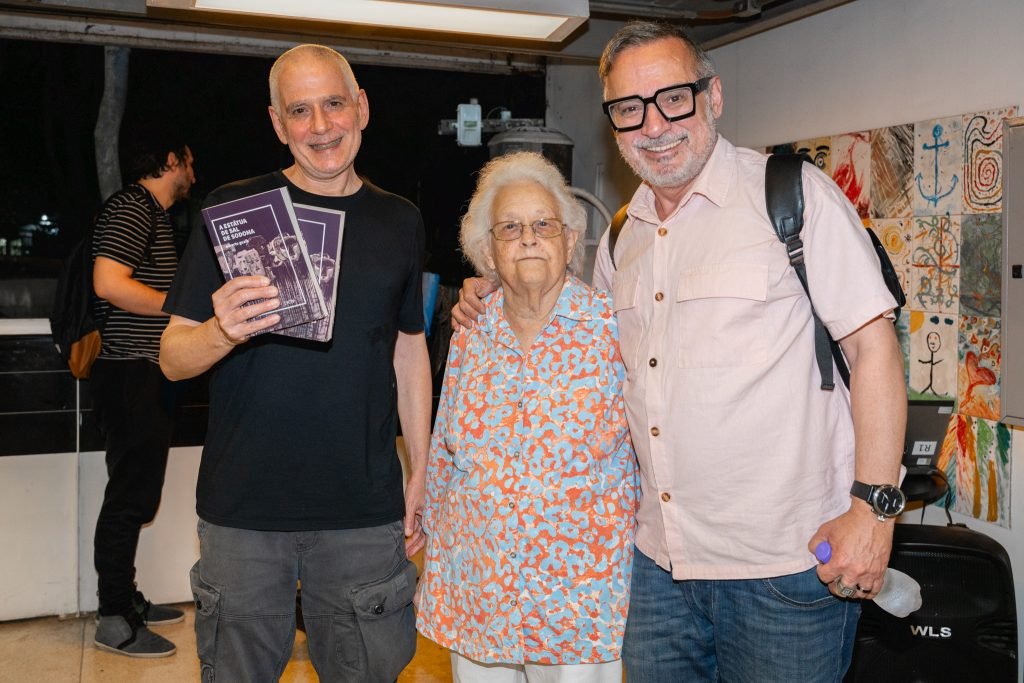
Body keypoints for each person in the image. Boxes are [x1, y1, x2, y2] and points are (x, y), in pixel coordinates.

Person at [454, 21, 907, 682]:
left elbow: (874, 349)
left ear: (712, 97)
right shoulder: (620, 238)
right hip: (656, 571)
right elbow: (582, 357)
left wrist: (873, 510)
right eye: (629, 108)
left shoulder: (792, 197)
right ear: (613, 122)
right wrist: (495, 289)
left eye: (673, 98)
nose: (655, 124)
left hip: (782, 567)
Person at [159, 44, 431, 682]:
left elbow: (409, 348)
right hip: (243, 516)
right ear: (278, 124)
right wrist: (222, 330)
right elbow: (172, 359)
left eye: (334, 104)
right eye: (299, 112)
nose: (321, 126)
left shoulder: (400, 220)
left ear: (361, 108)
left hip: (364, 513)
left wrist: (420, 469)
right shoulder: (232, 213)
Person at [416, 151, 638, 683]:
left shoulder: (614, 328)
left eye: (544, 225)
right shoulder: (469, 331)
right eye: (510, 227)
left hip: (580, 599)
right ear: (487, 253)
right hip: (481, 589)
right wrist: (430, 532)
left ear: (570, 240)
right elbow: (447, 446)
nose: (529, 238)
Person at [90, 129, 195, 658]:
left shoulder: (149, 213)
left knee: (133, 495)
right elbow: (108, 283)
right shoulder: (134, 207)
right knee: (128, 500)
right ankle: (114, 619)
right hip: (131, 372)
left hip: (141, 373)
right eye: (189, 163)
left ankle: (124, 599)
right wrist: (178, 309)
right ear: (172, 159)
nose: (192, 174)